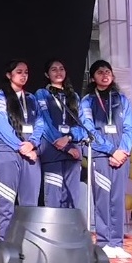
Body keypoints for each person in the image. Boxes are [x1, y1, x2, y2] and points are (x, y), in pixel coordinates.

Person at [80, 60, 132, 259]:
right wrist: (111, 150)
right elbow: (89, 129)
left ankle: (117, 242)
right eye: (100, 72)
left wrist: (123, 150)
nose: (105, 75)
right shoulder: (88, 101)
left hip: (121, 157)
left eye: (108, 71)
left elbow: (130, 128)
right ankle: (104, 242)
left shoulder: (121, 99)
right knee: (102, 199)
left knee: (117, 199)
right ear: (93, 77)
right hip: (101, 156)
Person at [0, 59, 46, 241]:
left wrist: (33, 143)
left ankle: (28, 243)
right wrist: (21, 147)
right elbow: (1, 125)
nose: (23, 75)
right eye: (19, 72)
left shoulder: (31, 98)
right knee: (6, 202)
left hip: (30, 153)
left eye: (26, 72)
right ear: (9, 75)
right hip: (7, 153)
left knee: (30, 204)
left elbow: (40, 123)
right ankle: (7, 244)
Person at [35, 59, 85, 209]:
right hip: (53, 151)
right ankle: (53, 226)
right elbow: (45, 123)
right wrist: (65, 146)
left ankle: (71, 225)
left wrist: (69, 137)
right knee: (53, 199)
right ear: (47, 74)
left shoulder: (73, 96)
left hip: (74, 151)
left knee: (72, 198)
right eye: (54, 69)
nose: (58, 72)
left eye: (61, 68)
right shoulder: (42, 94)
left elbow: (81, 124)